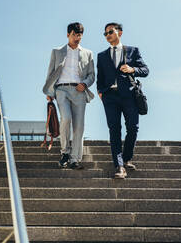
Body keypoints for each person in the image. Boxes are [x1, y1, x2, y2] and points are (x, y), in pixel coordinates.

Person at [97, 22, 149, 179]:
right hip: (110, 97)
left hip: (129, 96)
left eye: (110, 32)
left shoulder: (133, 51)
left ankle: (126, 158)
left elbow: (146, 70)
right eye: (105, 33)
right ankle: (119, 166)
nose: (108, 35)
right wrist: (101, 92)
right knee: (114, 130)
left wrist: (133, 69)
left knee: (133, 127)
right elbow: (100, 77)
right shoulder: (101, 56)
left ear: (119, 32)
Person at [43, 22, 95, 169]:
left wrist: (84, 84)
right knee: (66, 118)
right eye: (74, 35)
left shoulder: (88, 53)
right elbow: (50, 72)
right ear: (68, 34)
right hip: (61, 90)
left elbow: (92, 75)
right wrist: (49, 92)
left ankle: (74, 159)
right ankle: (65, 152)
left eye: (79, 35)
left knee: (79, 127)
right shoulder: (57, 51)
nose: (77, 38)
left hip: (79, 91)